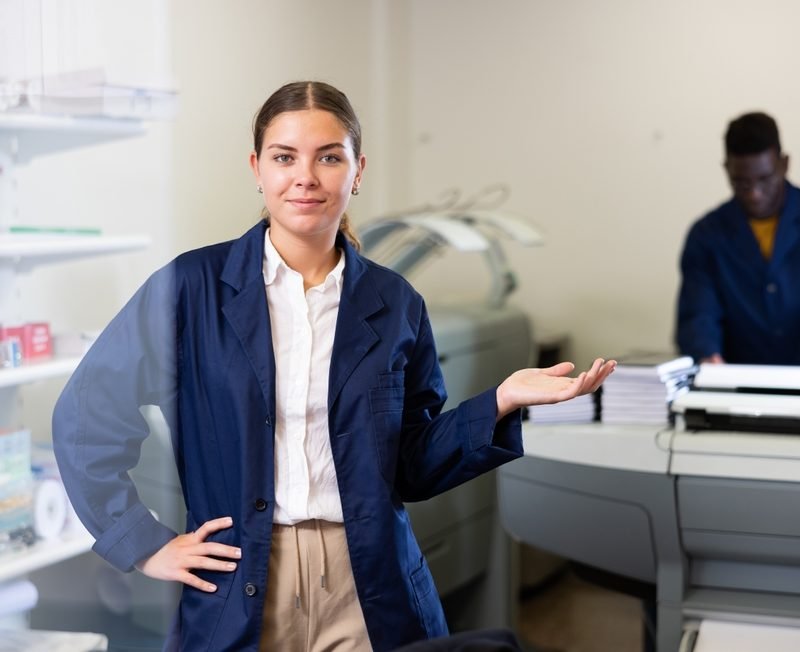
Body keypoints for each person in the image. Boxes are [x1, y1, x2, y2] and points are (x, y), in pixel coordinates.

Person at [52, 80, 616, 652]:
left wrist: (502, 400)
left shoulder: (395, 303)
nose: (306, 177)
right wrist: (143, 543)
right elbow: (84, 418)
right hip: (240, 582)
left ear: (357, 169)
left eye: (328, 157)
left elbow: (412, 465)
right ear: (257, 167)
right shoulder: (189, 288)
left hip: (367, 582)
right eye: (284, 157)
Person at [676, 111, 800, 365]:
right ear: (727, 170)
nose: (754, 194)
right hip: (735, 386)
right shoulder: (706, 235)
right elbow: (699, 313)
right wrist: (707, 355)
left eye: (765, 180)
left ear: (784, 164)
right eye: (741, 182)